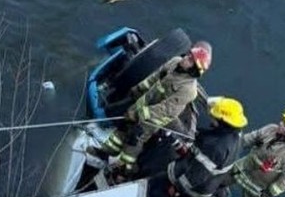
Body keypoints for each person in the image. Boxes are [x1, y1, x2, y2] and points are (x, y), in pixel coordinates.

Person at [90, 41, 213, 174]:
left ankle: (124, 169)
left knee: (135, 137)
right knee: (123, 128)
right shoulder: (175, 62)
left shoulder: (189, 91)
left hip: (155, 117)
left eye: (190, 59)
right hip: (144, 104)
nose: (185, 58)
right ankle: (106, 152)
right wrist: (138, 89)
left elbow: (166, 109)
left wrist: (138, 114)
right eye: (188, 54)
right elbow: (155, 77)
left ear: (195, 69)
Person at [148, 97, 247, 197]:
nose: (212, 117)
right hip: (197, 180)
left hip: (193, 189)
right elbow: (200, 157)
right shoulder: (236, 136)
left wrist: (176, 188)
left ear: (223, 121)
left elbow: (197, 174)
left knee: (157, 194)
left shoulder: (217, 146)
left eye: (215, 117)